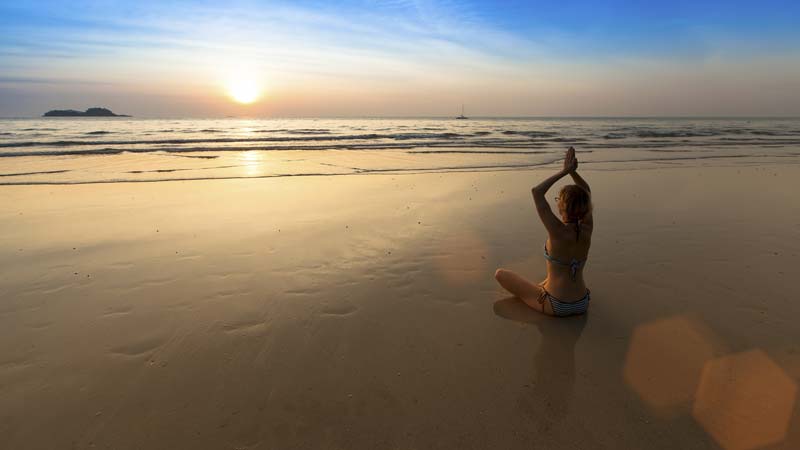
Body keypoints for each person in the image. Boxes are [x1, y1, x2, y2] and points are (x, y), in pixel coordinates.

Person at [495, 147, 593, 317]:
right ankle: (542, 288)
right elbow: (586, 191)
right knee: (545, 280)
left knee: (500, 274)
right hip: (582, 302)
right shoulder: (587, 228)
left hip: (556, 304)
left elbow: (537, 191)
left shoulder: (557, 231)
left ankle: (541, 292)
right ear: (585, 208)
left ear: (562, 206)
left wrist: (565, 171)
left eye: (558, 200)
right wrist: (574, 173)